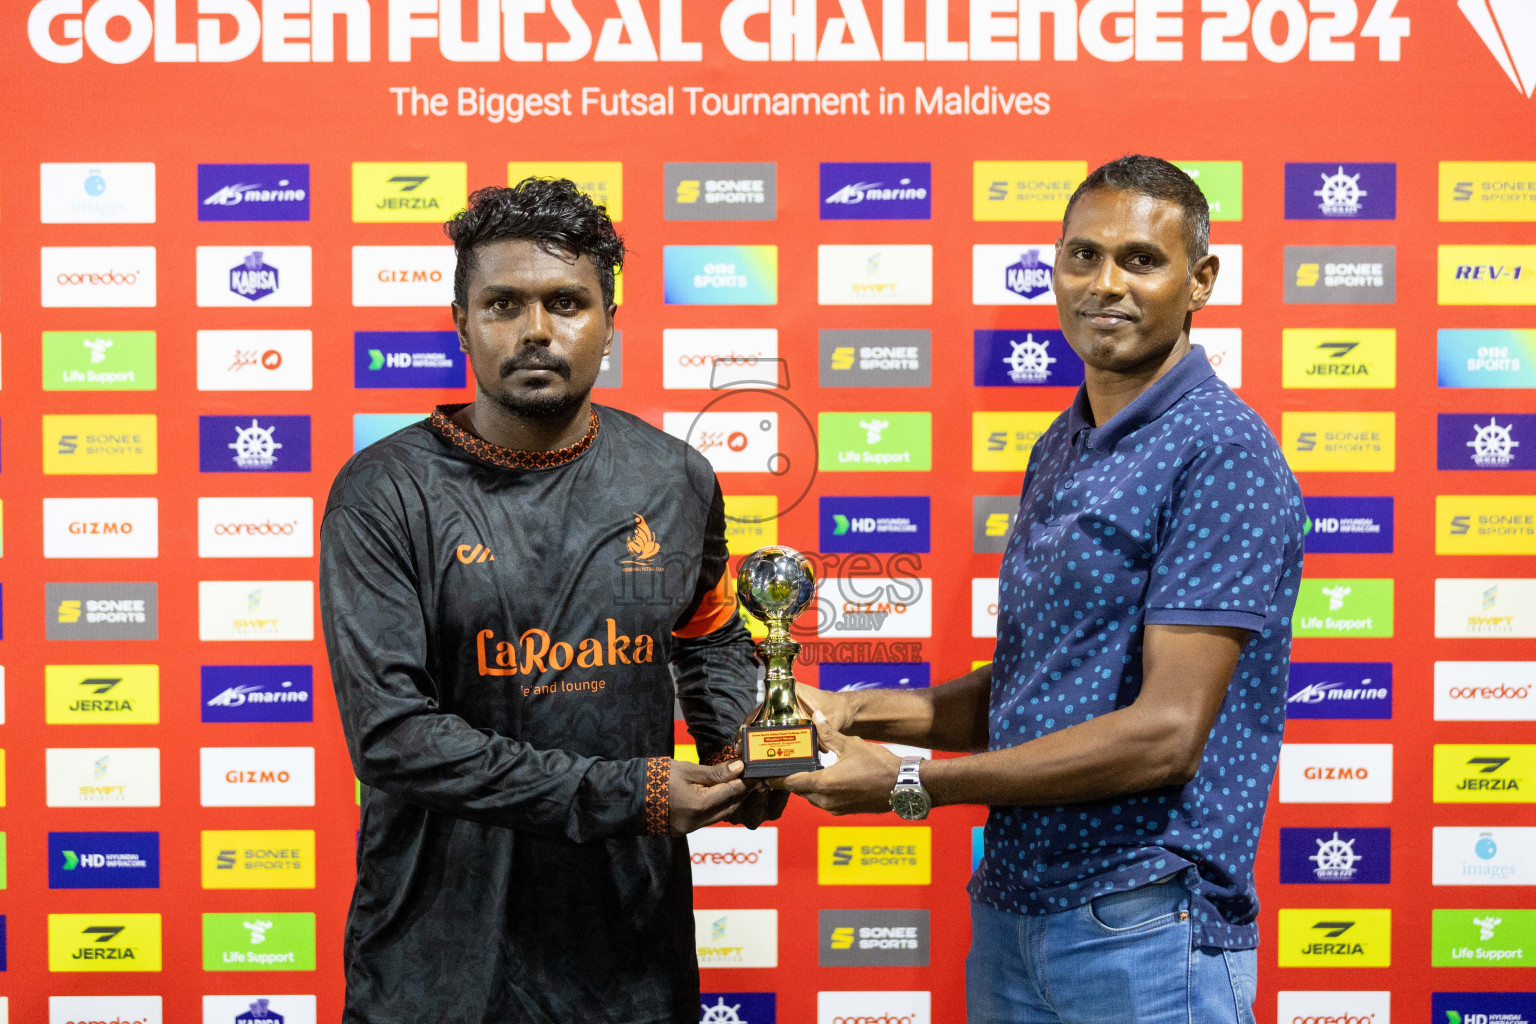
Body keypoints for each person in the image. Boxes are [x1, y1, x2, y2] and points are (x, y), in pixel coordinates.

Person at [785, 155, 1306, 1024]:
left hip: (1142, 921)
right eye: (1083, 256)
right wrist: (855, 709)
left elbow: (1165, 735)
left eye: (1141, 260)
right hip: (1015, 914)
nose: (1106, 284)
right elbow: (1041, 693)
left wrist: (914, 783)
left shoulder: (1222, 452)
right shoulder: (1063, 442)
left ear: (1200, 280)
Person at [320, 178, 781, 1024]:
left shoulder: (673, 477)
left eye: (567, 302)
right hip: (441, 962)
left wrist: (744, 744)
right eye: (504, 304)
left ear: (608, 324)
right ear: (461, 323)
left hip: (629, 956)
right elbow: (393, 737)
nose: (536, 330)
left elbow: (710, 634)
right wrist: (631, 794)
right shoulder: (384, 493)